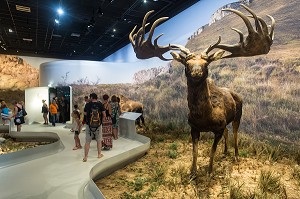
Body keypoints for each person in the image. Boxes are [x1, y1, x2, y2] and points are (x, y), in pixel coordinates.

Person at [83, 93, 106, 162]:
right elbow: (104, 114)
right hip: (98, 125)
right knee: (99, 140)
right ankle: (99, 154)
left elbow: (85, 113)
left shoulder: (87, 104)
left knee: (87, 141)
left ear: (91, 97)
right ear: (96, 98)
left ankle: (85, 157)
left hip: (89, 125)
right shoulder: (100, 104)